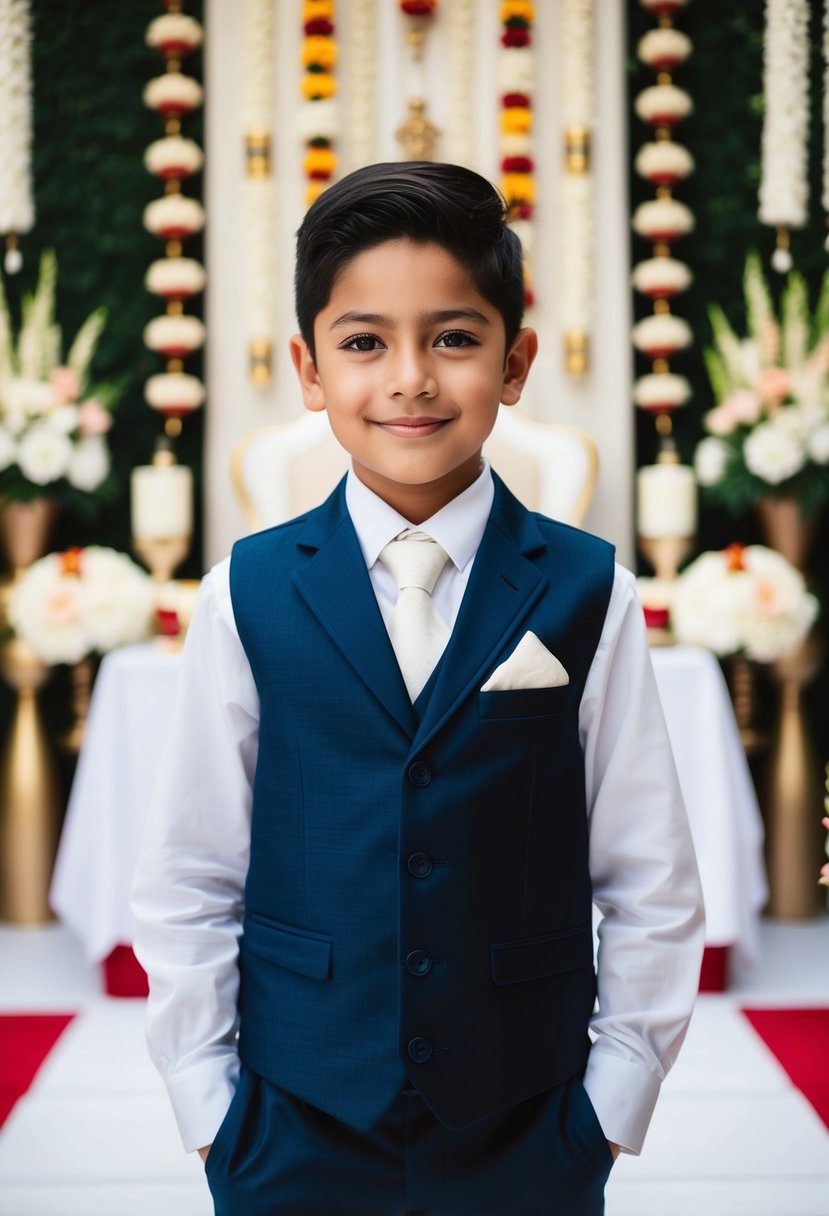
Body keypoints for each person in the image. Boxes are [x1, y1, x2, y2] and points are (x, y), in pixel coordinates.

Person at [132, 161, 705, 1216]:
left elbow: (649, 876)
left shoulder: (588, 590)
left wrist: (607, 1110)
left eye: (452, 337)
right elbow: (189, 873)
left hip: (526, 1122)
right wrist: (211, 1113)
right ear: (308, 369)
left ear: (515, 359)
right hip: (292, 1124)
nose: (409, 378)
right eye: (363, 343)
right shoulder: (243, 593)